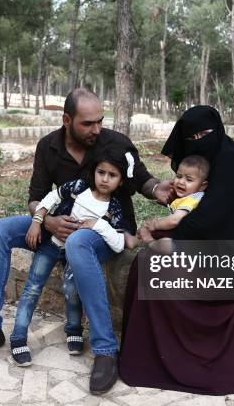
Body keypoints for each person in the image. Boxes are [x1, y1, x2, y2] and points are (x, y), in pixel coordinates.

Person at [0, 88, 173, 394]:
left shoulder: (116, 143)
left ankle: (105, 350)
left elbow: (140, 177)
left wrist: (157, 189)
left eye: (100, 121)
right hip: (58, 224)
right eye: (88, 123)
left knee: (79, 243)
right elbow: (36, 198)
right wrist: (46, 220)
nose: (96, 129)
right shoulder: (48, 146)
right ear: (67, 120)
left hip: (103, 230)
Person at [119, 105, 234, 395]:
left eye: (206, 134)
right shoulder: (217, 160)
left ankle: (171, 359)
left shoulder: (233, 163)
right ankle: (157, 355)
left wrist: (162, 235)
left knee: (151, 263)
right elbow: (201, 213)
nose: (201, 140)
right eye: (193, 136)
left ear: (219, 130)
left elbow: (206, 220)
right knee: (148, 262)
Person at [11, 147, 139, 367]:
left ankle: (73, 329)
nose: (105, 179)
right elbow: (52, 196)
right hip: (52, 245)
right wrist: (37, 220)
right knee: (33, 287)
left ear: (121, 180)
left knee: (72, 290)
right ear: (94, 171)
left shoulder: (114, 209)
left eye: (113, 175)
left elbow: (118, 244)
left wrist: (98, 224)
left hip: (75, 254)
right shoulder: (79, 187)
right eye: (101, 172)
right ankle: (18, 336)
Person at [137, 155, 209, 242]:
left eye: (189, 180)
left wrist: (155, 225)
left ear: (202, 186)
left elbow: (174, 221)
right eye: (179, 176)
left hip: (188, 241)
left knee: (161, 239)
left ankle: (150, 241)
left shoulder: (192, 200)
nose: (181, 182)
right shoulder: (195, 196)